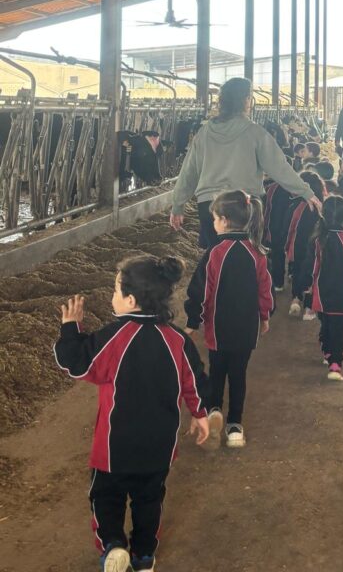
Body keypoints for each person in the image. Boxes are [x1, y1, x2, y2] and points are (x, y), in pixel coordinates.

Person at [54, 257, 209, 572]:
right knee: (149, 501)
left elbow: (77, 362)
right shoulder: (177, 339)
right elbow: (194, 379)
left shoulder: (114, 337)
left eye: (115, 291)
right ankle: (144, 557)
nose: (112, 297)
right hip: (159, 447)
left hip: (114, 447)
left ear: (131, 300)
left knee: (105, 497)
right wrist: (200, 413)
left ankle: (113, 544)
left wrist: (71, 327)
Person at [170, 78, 320, 249]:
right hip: (245, 205)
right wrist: (305, 191)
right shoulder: (255, 133)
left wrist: (178, 205)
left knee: (216, 256)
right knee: (247, 256)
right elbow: (279, 167)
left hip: (210, 205)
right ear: (245, 100)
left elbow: (188, 172)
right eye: (249, 97)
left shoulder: (204, 133)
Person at [184, 191, 272, 449]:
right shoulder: (257, 253)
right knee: (238, 374)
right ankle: (235, 427)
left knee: (217, 370)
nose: (213, 223)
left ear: (224, 220)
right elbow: (265, 291)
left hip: (218, 328)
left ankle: (214, 411)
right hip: (246, 328)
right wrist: (264, 317)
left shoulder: (214, 253)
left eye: (214, 218)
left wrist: (193, 321)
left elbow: (200, 290)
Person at [294, 195, 343, 382]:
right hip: (342, 293)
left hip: (321, 292)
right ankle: (335, 364)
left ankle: (327, 351)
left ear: (323, 215)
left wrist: (305, 285)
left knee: (325, 322)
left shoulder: (318, 240)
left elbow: (311, 266)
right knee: (338, 327)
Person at [286, 171, 326, 319]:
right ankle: (309, 308)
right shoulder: (323, 206)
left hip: (298, 245)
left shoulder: (296, 206)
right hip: (317, 247)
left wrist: (288, 246)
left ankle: (296, 300)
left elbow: (290, 228)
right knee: (313, 274)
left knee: (297, 271)